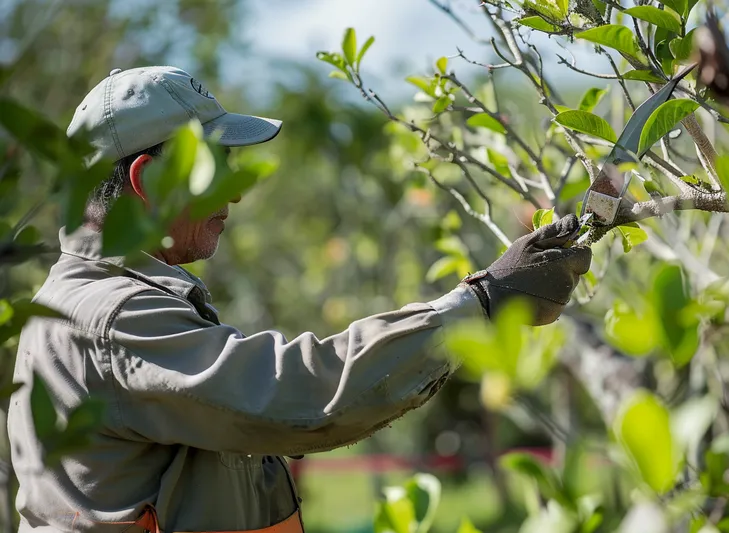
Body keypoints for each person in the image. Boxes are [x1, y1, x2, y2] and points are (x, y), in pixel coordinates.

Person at [8, 66, 592, 533]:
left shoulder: (97, 301)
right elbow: (298, 393)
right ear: (146, 180)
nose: (236, 190)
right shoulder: (110, 315)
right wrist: (481, 305)